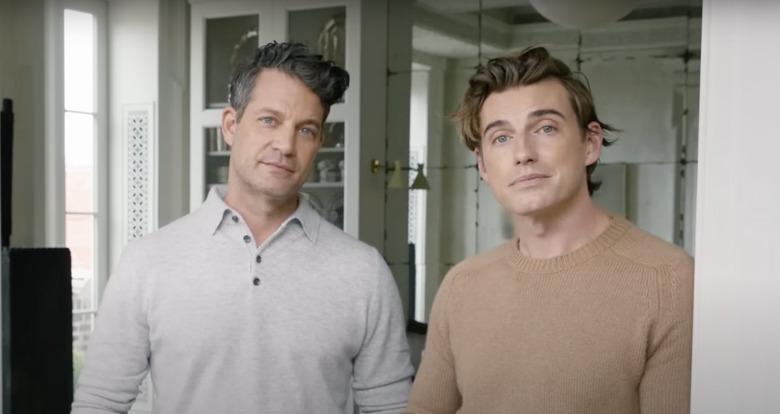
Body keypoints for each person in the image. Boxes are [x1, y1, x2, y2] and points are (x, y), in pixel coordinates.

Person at [73, 41, 414, 414]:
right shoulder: (147, 261)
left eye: (306, 130)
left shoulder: (364, 272)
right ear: (231, 126)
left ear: (318, 143)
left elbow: (389, 408)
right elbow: (99, 403)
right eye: (269, 120)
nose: (285, 144)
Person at [405, 46, 694, 414]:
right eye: (501, 137)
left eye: (545, 128)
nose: (523, 153)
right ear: (482, 165)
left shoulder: (668, 280)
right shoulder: (462, 284)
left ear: (590, 144)